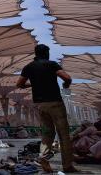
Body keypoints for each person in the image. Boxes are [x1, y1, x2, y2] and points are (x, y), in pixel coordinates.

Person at [17, 44, 79, 173]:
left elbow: (19, 84)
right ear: (46, 53)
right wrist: (66, 85)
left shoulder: (28, 67)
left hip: (40, 105)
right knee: (64, 134)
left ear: (36, 53)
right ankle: (67, 166)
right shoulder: (52, 64)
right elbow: (67, 77)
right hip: (55, 103)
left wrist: (32, 84)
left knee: (47, 133)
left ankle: (43, 157)